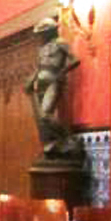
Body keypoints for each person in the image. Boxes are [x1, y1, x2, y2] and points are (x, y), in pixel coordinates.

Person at [24, 16, 81, 159]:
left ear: (51, 31)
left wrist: (61, 73)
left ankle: (67, 138)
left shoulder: (60, 43)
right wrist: (32, 80)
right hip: (41, 83)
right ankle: (52, 144)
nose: (41, 36)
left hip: (53, 81)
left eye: (43, 33)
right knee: (41, 120)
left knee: (45, 116)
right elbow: (39, 67)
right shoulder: (42, 49)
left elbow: (74, 60)